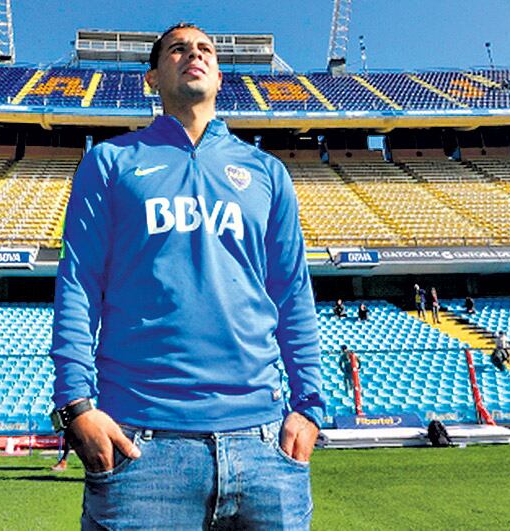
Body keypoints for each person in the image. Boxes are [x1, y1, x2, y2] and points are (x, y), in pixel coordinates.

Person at [50, 23, 324, 530]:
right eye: (177, 49)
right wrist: (75, 406)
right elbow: (78, 284)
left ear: (219, 77)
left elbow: (292, 295)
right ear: (153, 76)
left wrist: (309, 407)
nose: (193, 54)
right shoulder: (110, 163)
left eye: (205, 50)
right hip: (140, 444)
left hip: (264, 448)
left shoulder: (266, 173)